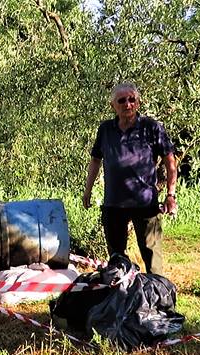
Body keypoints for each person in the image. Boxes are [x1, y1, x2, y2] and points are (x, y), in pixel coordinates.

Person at [82, 82, 177, 275]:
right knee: (117, 259)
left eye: (132, 100)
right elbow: (95, 160)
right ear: (113, 106)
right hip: (114, 204)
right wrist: (88, 191)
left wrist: (170, 194)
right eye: (122, 100)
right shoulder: (105, 129)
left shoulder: (151, 127)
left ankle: (158, 298)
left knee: (152, 257)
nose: (128, 104)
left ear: (138, 103)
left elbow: (170, 161)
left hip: (145, 204)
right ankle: (122, 299)